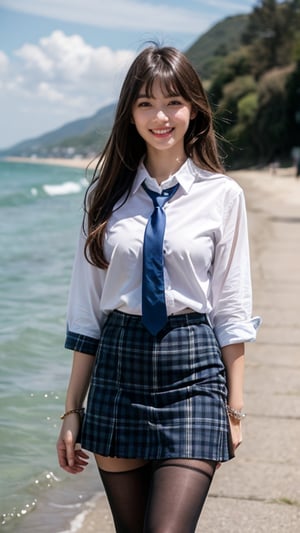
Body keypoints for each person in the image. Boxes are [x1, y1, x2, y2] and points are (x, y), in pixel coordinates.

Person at [57, 45, 260, 533]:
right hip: (118, 374)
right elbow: (87, 315)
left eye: (173, 102)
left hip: (194, 375)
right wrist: (71, 411)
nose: (160, 116)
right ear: (129, 114)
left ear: (194, 109)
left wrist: (234, 408)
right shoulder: (106, 197)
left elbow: (232, 309)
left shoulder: (223, 196)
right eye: (145, 103)